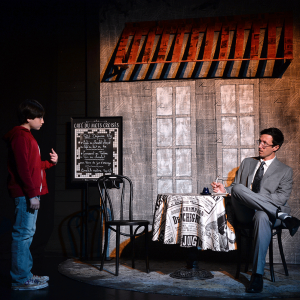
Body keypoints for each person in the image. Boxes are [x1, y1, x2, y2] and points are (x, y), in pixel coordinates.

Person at [211, 128, 300, 293]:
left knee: (261, 215)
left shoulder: (285, 171)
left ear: (276, 147)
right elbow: (236, 189)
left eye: (265, 143)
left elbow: (280, 199)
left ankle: (257, 276)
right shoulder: (247, 162)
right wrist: (224, 189)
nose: (260, 146)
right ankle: (284, 217)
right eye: (260, 141)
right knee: (237, 187)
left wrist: (253, 199)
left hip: (267, 214)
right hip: (246, 213)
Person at [3, 99, 58, 290]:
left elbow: (33, 166)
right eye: (39, 117)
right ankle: (21, 279)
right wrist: (32, 195)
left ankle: (25, 274)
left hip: (30, 193)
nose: (42, 121)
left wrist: (51, 163)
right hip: (26, 194)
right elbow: (23, 169)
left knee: (27, 234)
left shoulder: (27, 136)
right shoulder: (20, 137)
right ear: (28, 118)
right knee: (23, 235)